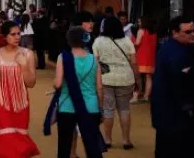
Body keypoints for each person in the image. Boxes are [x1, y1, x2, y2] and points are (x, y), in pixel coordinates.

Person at [0, 21, 40, 157]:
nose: (17, 37)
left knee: (19, 144)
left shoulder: (27, 54)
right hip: (0, 105)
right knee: (3, 143)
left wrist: (24, 66)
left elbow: (31, 83)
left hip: (21, 106)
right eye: (12, 34)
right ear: (4, 37)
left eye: (18, 34)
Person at [51, 27, 104, 158]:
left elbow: (57, 83)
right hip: (90, 105)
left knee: (64, 145)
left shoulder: (63, 57)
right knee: (92, 145)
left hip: (67, 105)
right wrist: (101, 107)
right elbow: (99, 88)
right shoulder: (94, 59)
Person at [151, 16, 194, 158]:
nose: (192, 34)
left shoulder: (188, 48)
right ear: (175, 32)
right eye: (188, 32)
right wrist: (188, 108)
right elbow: (179, 82)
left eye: (193, 31)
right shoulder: (173, 53)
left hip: (175, 115)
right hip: (174, 115)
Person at [92, 16, 137, 150]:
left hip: (105, 79)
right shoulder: (127, 41)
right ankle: (126, 140)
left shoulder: (98, 41)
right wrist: (137, 78)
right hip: (125, 78)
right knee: (124, 109)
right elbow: (134, 62)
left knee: (108, 110)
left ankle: (107, 139)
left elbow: (95, 62)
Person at [132, 16, 157, 103]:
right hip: (151, 58)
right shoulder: (154, 33)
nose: (138, 24)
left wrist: (132, 41)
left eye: (139, 22)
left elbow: (137, 43)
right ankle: (146, 96)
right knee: (148, 77)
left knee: (137, 77)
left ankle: (135, 97)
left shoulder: (141, 31)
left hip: (141, 57)